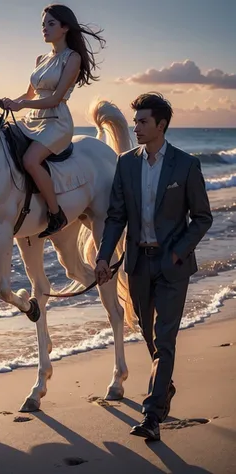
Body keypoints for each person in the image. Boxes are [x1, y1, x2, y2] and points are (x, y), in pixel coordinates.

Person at [95, 93, 213, 441]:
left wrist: (177, 253)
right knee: (147, 332)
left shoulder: (186, 165)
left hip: (172, 265)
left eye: (143, 122)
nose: (136, 127)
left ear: (161, 125)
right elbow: (116, 216)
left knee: (165, 338)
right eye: (135, 122)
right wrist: (104, 256)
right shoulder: (126, 164)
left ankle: (152, 413)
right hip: (137, 265)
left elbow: (202, 217)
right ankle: (165, 388)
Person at [0, 4, 105, 238]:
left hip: (56, 123)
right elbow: (29, 95)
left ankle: (56, 214)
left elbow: (56, 98)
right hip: (33, 119)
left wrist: (23, 105)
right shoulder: (40, 59)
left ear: (65, 28)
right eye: (43, 24)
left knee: (30, 160)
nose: (44, 29)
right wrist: (9, 102)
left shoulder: (73, 58)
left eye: (51, 24)